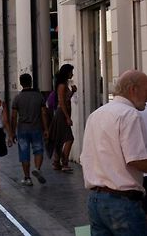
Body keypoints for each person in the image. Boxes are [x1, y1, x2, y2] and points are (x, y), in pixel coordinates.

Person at [81, 69, 147, 235]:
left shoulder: (96, 114)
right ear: (134, 89)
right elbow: (135, 159)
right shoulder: (130, 115)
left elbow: (87, 156)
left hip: (95, 201)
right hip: (122, 202)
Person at [11, 73, 49, 186]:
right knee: (38, 150)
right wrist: (46, 128)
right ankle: (37, 168)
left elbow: (13, 116)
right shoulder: (39, 97)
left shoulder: (17, 98)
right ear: (31, 82)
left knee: (24, 153)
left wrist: (12, 132)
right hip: (36, 127)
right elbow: (43, 113)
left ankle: (27, 178)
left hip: (22, 129)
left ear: (21, 83)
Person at [47, 64, 76, 172]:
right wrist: (67, 117)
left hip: (62, 113)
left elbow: (66, 99)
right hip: (61, 114)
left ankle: (56, 162)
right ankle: (64, 163)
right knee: (69, 139)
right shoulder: (62, 86)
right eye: (71, 72)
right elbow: (62, 102)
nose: (72, 74)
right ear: (66, 72)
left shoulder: (64, 85)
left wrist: (72, 92)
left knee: (59, 139)